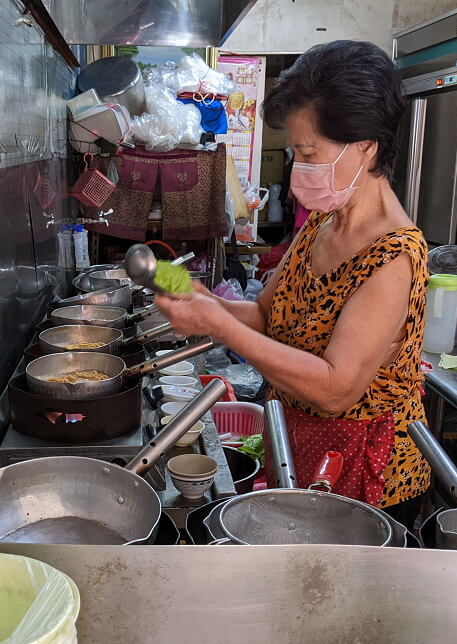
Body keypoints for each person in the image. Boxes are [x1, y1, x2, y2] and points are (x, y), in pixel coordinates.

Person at [154, 41, 430, 526]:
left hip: (369, 478)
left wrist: (218, 325)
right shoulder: (322, 223)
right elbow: (265, 315)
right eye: (295, 152)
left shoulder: (393, 256)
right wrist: (198, 296)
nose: (299, 168)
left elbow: (336, 389)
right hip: (302, 449)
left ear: (366, 147)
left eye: (309, 153)